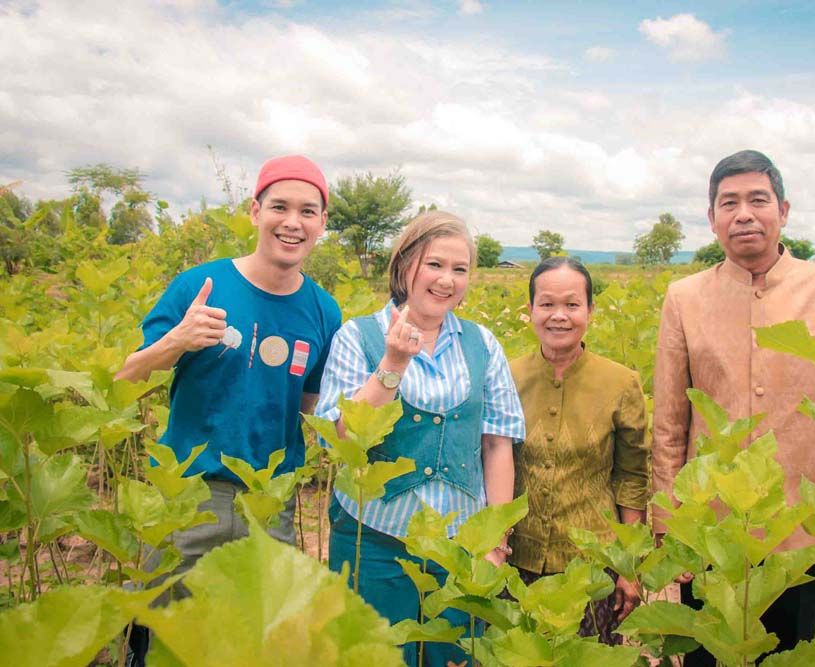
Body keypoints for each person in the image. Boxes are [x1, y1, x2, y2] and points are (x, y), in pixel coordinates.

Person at [116, 155, 341, 664]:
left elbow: (307, 403)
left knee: (257, 639)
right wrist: (176, 340)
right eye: (279, 206)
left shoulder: (324, 310)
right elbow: (126, 379)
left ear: (322, 223)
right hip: (193, 492)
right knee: (170, 636)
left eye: (308, 211)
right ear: (254, 210)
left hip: (271, 497)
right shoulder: (200, 285)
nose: (292, 222)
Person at [652, 149, 815, 664]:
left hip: (799, 531)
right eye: (729, 203)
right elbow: (670, 423)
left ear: (783, 211)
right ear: (712, 219)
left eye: (757, 200)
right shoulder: (685, 297)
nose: (743, 213)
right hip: (710, 533)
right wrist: (667, 524)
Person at [316, 210, 524, 667]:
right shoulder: (358, 337)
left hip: (460, 547)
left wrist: (494, 541)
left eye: (460, 269)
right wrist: (392, 363)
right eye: (435, 264)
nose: (446, 280)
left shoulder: (482, 344)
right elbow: (342, 437)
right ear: (406, 264)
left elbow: (497, 443)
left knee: (453, 658)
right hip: (374, 540)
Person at [508, 257, 649, 644]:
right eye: (547, 304)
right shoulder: (504, 375)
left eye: (572, 305)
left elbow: (633, 476)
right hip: (517, 559)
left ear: (590, 310)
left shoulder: (621, 382)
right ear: (530, 310)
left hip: (592, 566)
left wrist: (627, 565)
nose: (559, 316)